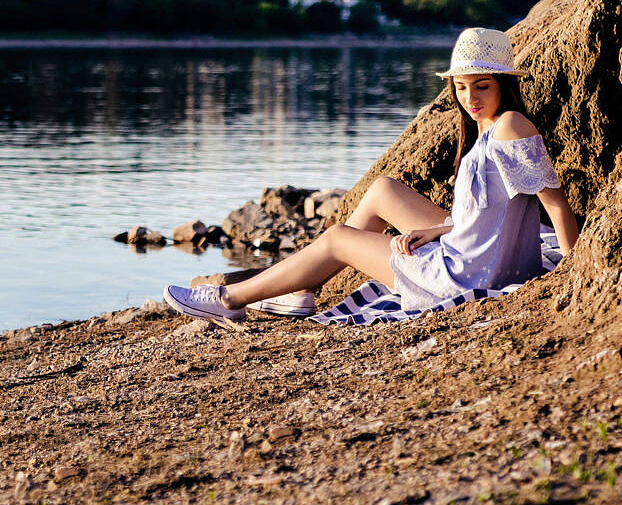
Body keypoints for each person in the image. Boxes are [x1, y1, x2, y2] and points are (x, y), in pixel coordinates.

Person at [163, 27, 580, 322]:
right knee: (383, 190)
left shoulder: (510, 126)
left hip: (465, 275)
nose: (470, 97)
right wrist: (435, 232)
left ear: (504, 83)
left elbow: (555, 204)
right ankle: (299, 290)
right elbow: (489, 212)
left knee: (338, 238)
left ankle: (230, 298)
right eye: (462, 86)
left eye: (482, 85)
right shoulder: (489, 128)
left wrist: (574, 271)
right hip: (471, 252)